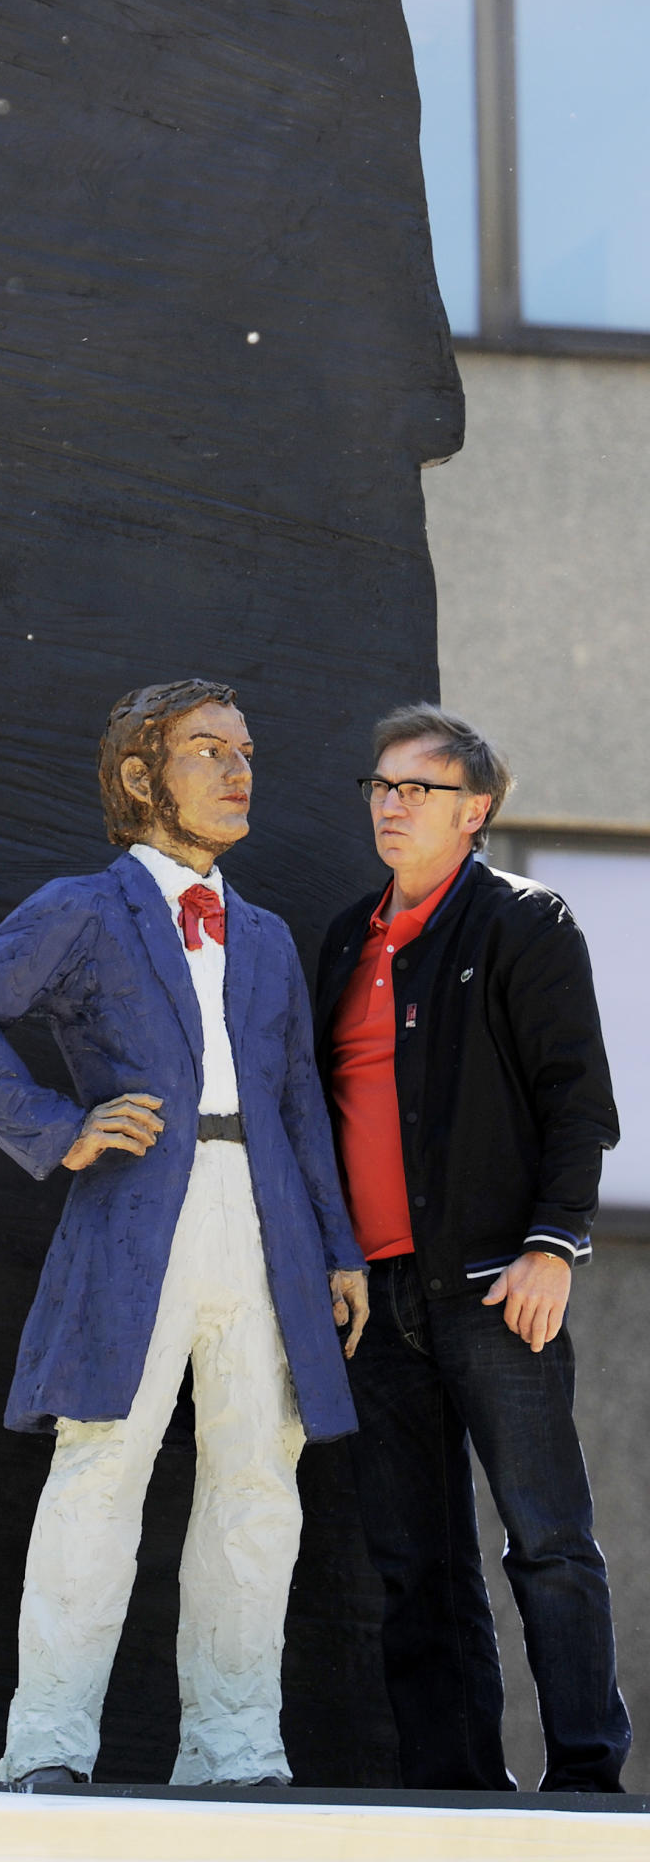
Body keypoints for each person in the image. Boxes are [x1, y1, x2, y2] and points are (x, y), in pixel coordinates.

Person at [0, 676, 367, 1793]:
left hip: (264, 1233)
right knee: (101, 1471)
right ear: (138, 776)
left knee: (260, 1481)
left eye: (247, 749)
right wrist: (60, 1131)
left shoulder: (261, 935)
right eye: (208, 748)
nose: (238, 768)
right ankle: (49, 1750)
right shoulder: (83, 906)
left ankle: (235, 1753)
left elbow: (301, 1100)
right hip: (134, 1224)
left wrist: (339, 1247)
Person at [315, 702, 630, 1794]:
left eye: (420, 789)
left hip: (499, 1287)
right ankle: (454, 1787)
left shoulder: (523, 923)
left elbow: (577, 1101)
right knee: (416, 1565)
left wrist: (555, 1245)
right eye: (381, 787)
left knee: (547, 1540)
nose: (391, 806)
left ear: (476, 810)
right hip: (375, 1300)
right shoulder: (348, 938)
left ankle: (586, 1777)